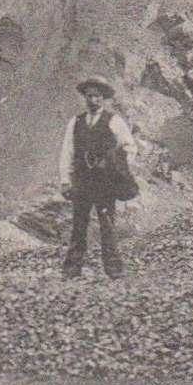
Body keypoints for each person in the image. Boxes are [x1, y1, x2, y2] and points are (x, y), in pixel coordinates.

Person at [58, 76, 138, 280]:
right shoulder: (75, 122)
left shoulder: (114, 121)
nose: (93, 100)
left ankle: (114, 269)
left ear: (104, 99)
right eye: (89, 96)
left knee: (107, 223)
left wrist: (114, 164)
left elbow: (129, 147)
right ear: (84, 97)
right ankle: (71, 269)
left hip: (104, 182)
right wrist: (66, 180)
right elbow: (67, 151)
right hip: (82, 180)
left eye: (97, 96)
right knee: (78, 224)